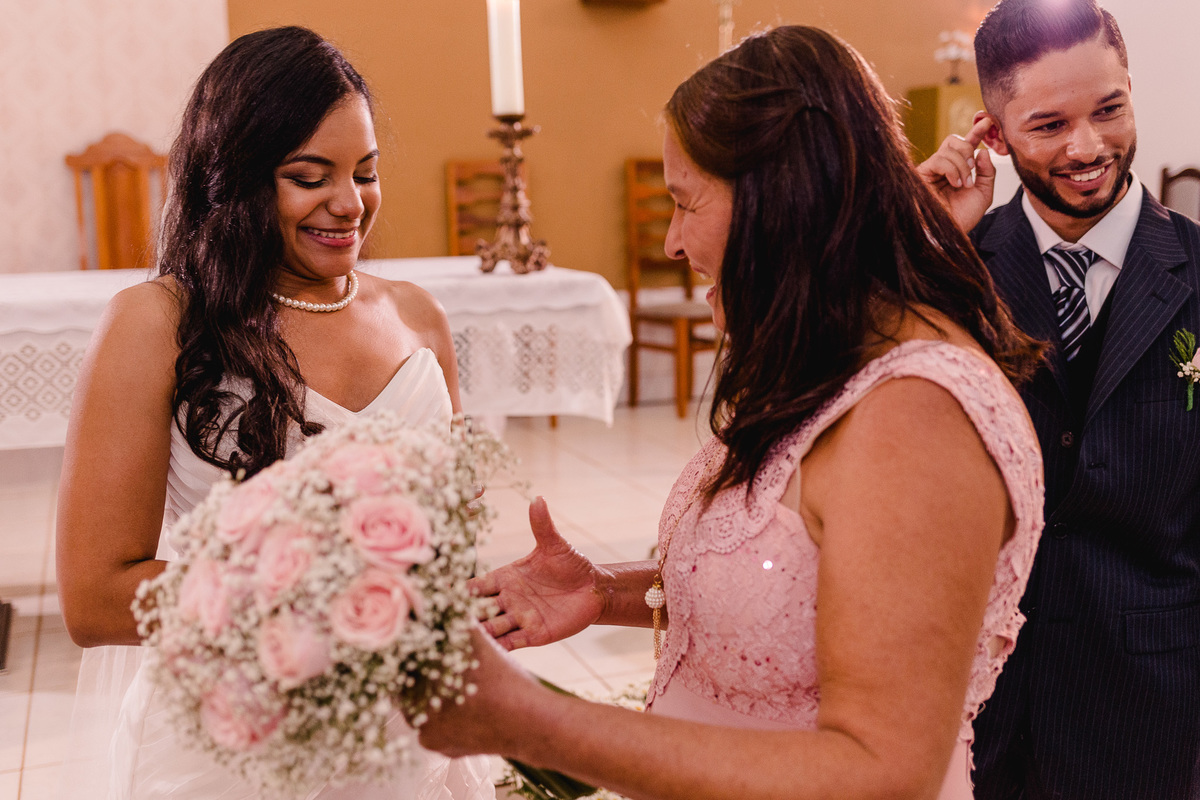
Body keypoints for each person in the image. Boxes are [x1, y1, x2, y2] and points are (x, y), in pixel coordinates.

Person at [416, 25, 1045, 800]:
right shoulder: (833, 362)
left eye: (686, 202)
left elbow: (881, 772)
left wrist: (529, 723)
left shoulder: (918, 418)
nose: (672, 242)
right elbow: (799, 584)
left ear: (781, 201)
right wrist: (604, 592)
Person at [54, 26, 494, 800]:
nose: (349, 204)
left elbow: (447, 548)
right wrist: (323, 599)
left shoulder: (419, 317)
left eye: (365, 172)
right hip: (231, 747)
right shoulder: (155, 325)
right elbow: (94, 600)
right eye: (308, 177)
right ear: (236, 179)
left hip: (400, 735)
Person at [915, 1, 1200, 797]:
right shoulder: (952, 271)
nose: (1087, 147)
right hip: (979, 709)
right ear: (995, 136)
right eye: (1049, 125)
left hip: (1154, 713)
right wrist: (923, 242)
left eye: (1109, 109)